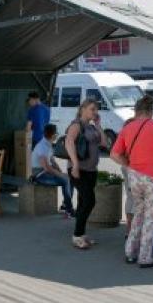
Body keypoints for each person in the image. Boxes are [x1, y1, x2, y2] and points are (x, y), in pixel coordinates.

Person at [111, 95, 153, 268]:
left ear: (137, 111)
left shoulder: (128, 128)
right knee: (151, 218)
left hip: (134, 177)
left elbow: (114, 154)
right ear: (151, 111)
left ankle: (130, 251)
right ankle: (145, 257)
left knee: (138, 212)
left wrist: (128, 163)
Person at [66, 99, 108, 249]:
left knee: (83, 201)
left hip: (91, 171)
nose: (95, 112)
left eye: (96, 110)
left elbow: (104, 143)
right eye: (92, 109)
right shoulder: (76, 124)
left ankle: (81, 234)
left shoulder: (91, 126)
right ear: (83, 109)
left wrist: (98, 125)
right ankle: (77, 235)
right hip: (79, 170)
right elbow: (69, 142)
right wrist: (75, 165)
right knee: (89, 201)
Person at [31, 124, 74, 217]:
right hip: (39, 176)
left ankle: (66, 206)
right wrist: (60, 175)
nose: (57, 135)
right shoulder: (42, 147)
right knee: (65, 181)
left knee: (67, 179)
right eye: (56, 133)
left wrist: (60, 171)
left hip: (45, 173)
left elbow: (52, 161)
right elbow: (47, 168)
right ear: (53, 135)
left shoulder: (47, 144)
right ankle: (69, 209)